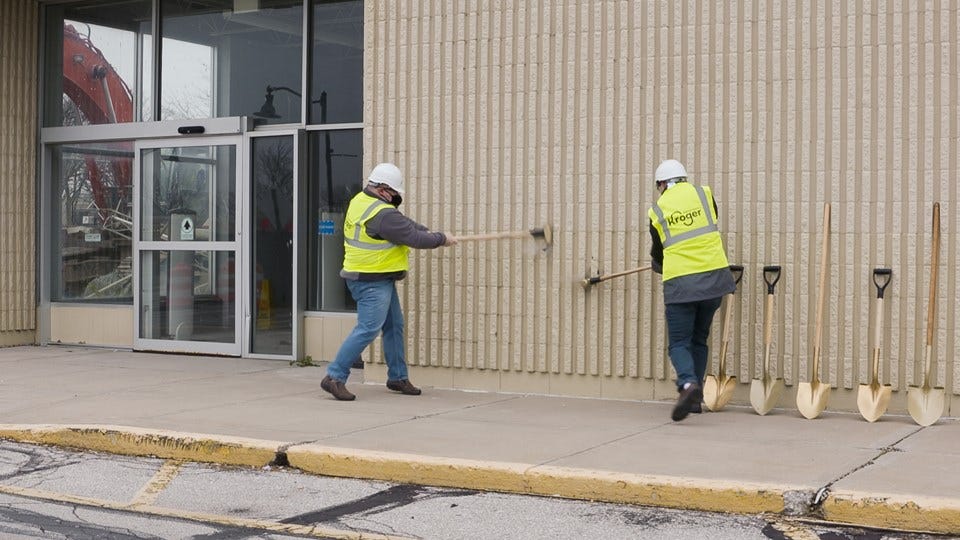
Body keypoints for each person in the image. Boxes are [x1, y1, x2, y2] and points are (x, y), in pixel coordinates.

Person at [321, 163, 457, 401]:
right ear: (383, 189)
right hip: (371, 280)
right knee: (368, 329)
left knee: (394, 326)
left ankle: (397, 377)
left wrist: (431, 232)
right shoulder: (382, 214)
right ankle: (334, 376)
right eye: (394, 193)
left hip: (376, 277)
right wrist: (441, 239)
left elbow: (408, 226)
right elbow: (412, 236)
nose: (396, 197)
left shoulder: (362, 202)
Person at [648, 159, 736, 421]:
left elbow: (659, 250)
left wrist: (657, 264)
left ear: (662, 184)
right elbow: (706, 228)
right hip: (714, 281)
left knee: (678, 343)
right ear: (683, 179)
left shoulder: (658, 209)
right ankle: (695, 401)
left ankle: (688, 385)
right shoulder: (704, 194)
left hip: (682, 285)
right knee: (699, 338)